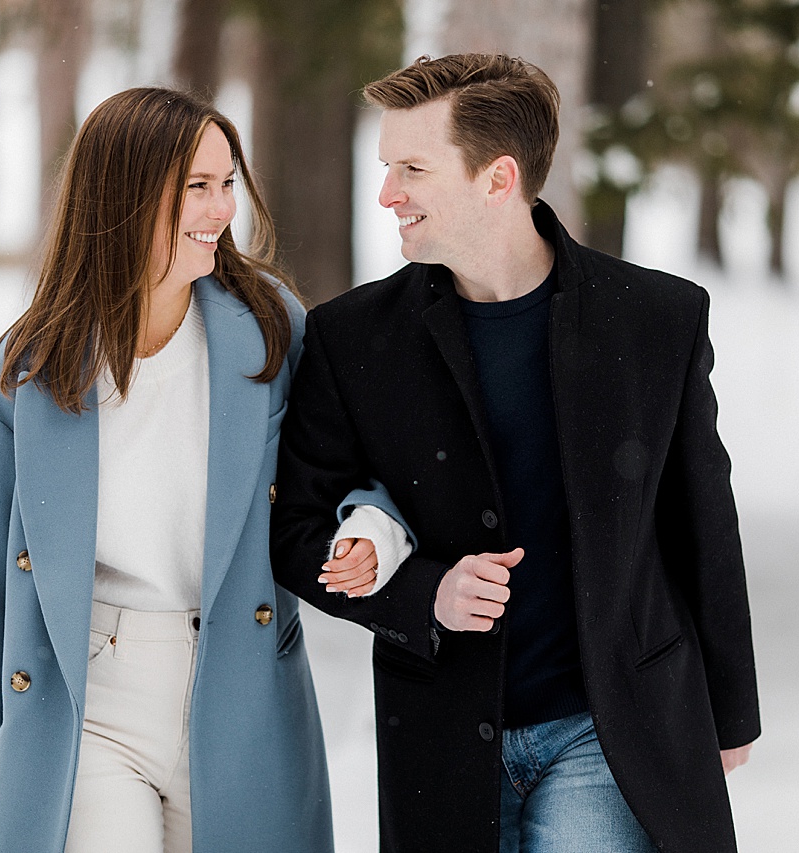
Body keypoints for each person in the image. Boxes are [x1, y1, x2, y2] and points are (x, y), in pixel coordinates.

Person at [271, 54, 761, 853]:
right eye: (388, 167)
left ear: (497, 179)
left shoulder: (657, 319)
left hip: (609, 734)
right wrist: (420, 593)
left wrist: (731, 708)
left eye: (412, 169)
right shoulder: (351, 339)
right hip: (441, 739)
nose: (388, 193)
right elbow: (294, 529)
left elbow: (701, 516)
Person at [0, 86, 401, 853]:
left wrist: (370, 529)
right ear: (124, 193)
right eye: (196, 187)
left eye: (227, 185)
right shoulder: (26, 374)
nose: (221, 209)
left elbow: (348, 467)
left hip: (241, 690)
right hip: (89, 704)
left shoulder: (273, 328)